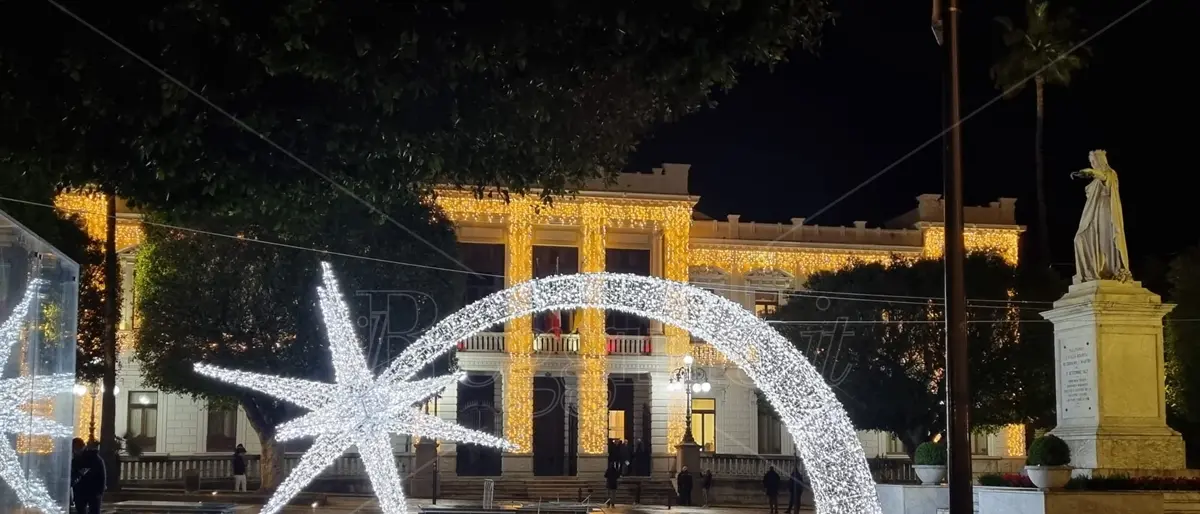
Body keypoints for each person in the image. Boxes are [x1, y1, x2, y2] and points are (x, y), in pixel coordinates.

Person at [71, 438, 105, 514]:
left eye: (75, 449)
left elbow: (101, 476)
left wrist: (100, 491)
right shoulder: (94, 458)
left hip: (91, 491)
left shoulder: (93, 458)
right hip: (82, 491)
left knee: (92, 510)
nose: (74, 451)